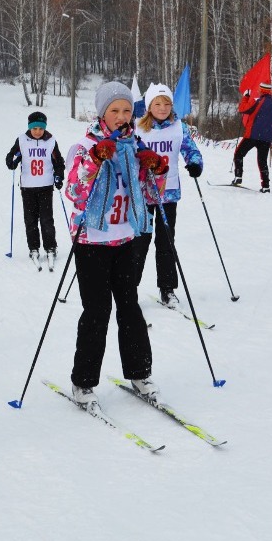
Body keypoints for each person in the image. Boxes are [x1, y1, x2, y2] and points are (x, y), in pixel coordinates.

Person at [63, 81, 169, 408]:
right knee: (97, 311)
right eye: (115, 110)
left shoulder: (134, 146)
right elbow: (74, 191)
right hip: (92, 241)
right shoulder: (85, 145)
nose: (122, 116)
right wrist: (95, 159)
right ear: (102, 114)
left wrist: (157, 169)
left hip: (125, 238)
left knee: (130, 307)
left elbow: (151, 194)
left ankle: (139, 373)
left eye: (126, 110)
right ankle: (83, 382)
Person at [134, 83, 203, 304]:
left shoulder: (179, 127)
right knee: (140, 242)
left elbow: (191, 149)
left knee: (166, 242)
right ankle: (129, 287)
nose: (162, 108)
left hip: (168, 193)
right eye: (158, 104)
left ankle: (167, 288)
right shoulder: (137, 128)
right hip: (144, 194)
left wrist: (195, 163)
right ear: (149, 106)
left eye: (166, 104)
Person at [4, 110, 65, 269]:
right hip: (28, 188)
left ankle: (50, 247)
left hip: (45, 186)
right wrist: (13, 160)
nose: (38, 132)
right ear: (29, 127)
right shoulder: (21, 140)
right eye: (34, 128)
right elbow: (10, 158)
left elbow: (59, 162)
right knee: (30, 220)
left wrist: (59, 176)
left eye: (41, 128)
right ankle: (33, 248)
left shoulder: (51, 141)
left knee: (46, 220)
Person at [232, 81, 272, 192]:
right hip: (266, 138)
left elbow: (243, 109)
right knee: (262, 161)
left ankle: (238, 177)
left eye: (260, 89)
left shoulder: (257, 102)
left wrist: (246, 97)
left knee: (239, 154)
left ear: (262, 90)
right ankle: (266, 186)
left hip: (252, 135)